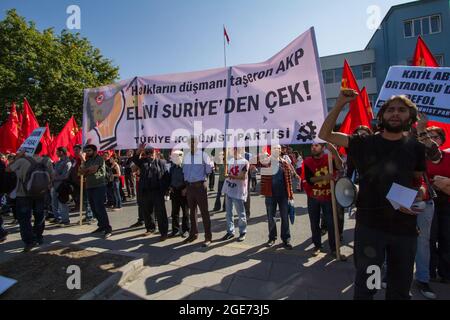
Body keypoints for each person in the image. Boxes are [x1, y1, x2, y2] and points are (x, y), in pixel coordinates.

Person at [319, 89, 426, 300]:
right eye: (390, 110)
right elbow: (326, 135)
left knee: (399, 288)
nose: (395, 114)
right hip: (371, 230)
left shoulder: (416, 148)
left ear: (410, 117)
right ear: (382, 115)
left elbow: (417, 181)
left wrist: (419, 194)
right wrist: (340, 103)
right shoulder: (363, 143)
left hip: (404, 231)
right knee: (369, 285)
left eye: (402, 110)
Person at [7, 143, 53, 252]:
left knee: (24, 219)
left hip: (23, 194)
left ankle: (29, 241)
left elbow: (8, 169)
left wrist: (18, 156)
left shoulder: (22, 160)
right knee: (40, 215)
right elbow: (52, 176)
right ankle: (39, 237)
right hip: (41, 193)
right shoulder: (46, 160)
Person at [303, 143, 343, 257]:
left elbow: (340, 167)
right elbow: (310, 179)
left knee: (331, 223)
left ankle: (334, 249)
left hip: (328, 197)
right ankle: (317, 246)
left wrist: (334, 151)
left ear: (323, 148)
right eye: (312, 146)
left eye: (316, 146)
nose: (313, 148)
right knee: (314, 223)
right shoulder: (308, 162)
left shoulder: (330, 158)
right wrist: (325, 177)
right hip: (313, 197)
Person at [423, 125, 450, 287]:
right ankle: (429, 272)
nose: (433, 140)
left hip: (447, 205)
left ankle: (446, 273)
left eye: (436, 137)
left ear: (443, 139)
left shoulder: (449, 157)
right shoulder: (421, 157)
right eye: (429, 136)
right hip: (429, 204)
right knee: (429, 240)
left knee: (447, 239)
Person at [260, 144, 295, 250]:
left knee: (285, 218)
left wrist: (291, 195)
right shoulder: (266, 162)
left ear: (281, 151)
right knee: (271, 218)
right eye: (275, 148)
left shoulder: (284, 163)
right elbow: (256, 162)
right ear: (272, 150)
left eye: (279, 149)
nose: (277, 150)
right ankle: (272, 238)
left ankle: (286, 239)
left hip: (283, 195)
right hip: (270, 195)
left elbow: (289, 179)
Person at [133, 144, 170, 241]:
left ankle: (164, 232)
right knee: (147, 211)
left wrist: (166, 190)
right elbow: (134, 160)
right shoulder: (143, 162)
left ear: (155, 153)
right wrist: (139, 151)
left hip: (157, 191)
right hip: (145, 191)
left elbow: (166, 177)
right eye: (147, 153)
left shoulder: (161, 162)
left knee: (160, 212)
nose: (149, 155)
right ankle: (150, 228)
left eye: (151, 153)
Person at [182, 136, 214, 247]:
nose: (191, 145)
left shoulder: (203, 155)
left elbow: (209, 170)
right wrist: (186, 187)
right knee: (192, 212)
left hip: (200, 186)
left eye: (193, 142)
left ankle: (208, 237)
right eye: (189, 143)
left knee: (204, 212)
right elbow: (185, 173)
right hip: (190, 187)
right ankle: (193, 234)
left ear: (197, 143)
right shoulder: (186, 157)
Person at [78, 144, 113, 239]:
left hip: (99, 186)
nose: (87, 152)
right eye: (86, 151)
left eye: (89, 151)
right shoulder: (87, 160)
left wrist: (86, 170)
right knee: (93, 208)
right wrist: (84, 163)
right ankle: (101, 226)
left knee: (99, 207)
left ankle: (107, 228)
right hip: (89, 186)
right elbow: (80, 172)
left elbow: (93, 170)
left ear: (94, 151)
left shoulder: (99, 159)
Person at [220, 147, 249, 242]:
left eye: (234, 149)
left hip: (238, 191)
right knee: (228, 213)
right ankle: (230, 231)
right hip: (229, 189)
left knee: (241, 213)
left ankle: (242, 232)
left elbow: (243, 176)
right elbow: (227, 172)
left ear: (238, 150)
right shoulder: (231, 160)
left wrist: (230, 175)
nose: (232, 151)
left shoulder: (245, 162)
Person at [168, 150, 190, 238]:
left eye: (176, 157)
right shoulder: (172, 168)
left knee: (185, 212)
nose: (174, 159)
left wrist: (186, 188)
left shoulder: (186, 167)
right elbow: (169, 179)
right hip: (174, 191)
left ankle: (186, 230)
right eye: (174, 157)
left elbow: (189, 179)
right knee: (174, 212)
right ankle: (175, 230)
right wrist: (170, 186)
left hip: (183, 191)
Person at [51, 147, 73, 226]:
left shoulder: (67, 162)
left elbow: (65, 176)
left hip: (62, 186)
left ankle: (65, 220)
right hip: (55, 185)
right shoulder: (58, 162)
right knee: (54, 203)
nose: (56, 153)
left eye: (57, 151)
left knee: (62, 203)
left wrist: (55, 178)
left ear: (61, 152)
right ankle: (58, 218)